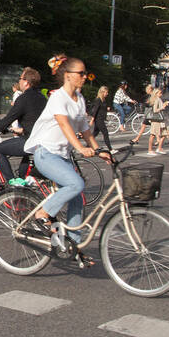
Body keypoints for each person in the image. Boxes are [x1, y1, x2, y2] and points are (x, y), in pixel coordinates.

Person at [23, 55, 112, 266]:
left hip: (62, 156)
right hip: (45, 154)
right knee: (76, 184)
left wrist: (100, 150)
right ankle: (43, 212)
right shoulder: (58, 98)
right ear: (69, 75)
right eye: (81, 73)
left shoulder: (79, 99)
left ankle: (74, 246)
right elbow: (64, 125)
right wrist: (81, 148)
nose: (84, 77)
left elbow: (84, 129)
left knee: (77, 197)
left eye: (84, 73)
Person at [0, 66, 46, 184]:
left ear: (26, 83)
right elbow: (35, 119)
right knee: (24, 167)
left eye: (20, 79)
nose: (19, 81)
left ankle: (12, 183)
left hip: (31, 140)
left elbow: (8, 119)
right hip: (43, 140)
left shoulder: (23, 98)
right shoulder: (42, 97)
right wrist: (21, 130)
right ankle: (23, 185)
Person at [85, 85, 114, 151]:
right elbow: (95, 110)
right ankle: (110, 149)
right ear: (102, 92)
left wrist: (107, 108)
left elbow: (101, 108)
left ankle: (87, 147)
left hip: (100, 119)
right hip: (98, 119)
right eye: (106, 92)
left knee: (95, 133)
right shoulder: (98, 100)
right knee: (105, 133)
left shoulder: (103, 100)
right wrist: (92, 120)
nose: (107, 94)